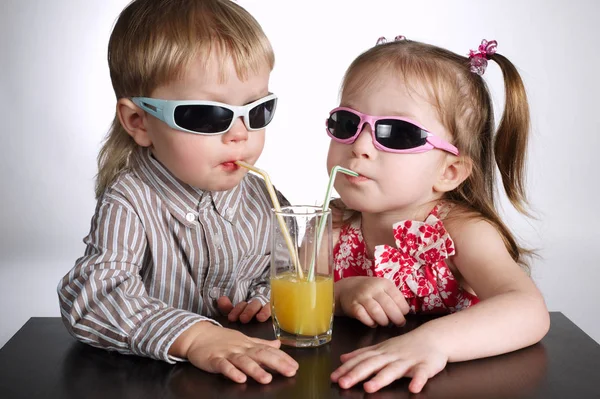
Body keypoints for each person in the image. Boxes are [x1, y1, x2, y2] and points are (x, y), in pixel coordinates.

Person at [57, 0, 298, 384]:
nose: (240, 133)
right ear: (139, 121)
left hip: (248, 371)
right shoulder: (131, 201)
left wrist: (263, 297)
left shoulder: (266, 198)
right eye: (207, 114)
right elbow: (94, 299)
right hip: (153, 380)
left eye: (258, 110)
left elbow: (286, 269)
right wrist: (197, 336)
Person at [325, 36, 550, 393]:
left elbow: (528, 310)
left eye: (397, 133)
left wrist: (433, 342)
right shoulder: (329, 226)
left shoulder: (460, 231)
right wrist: (339, 295)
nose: (360, 146)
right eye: (346, 123)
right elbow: (286, 300)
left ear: (449, 171)